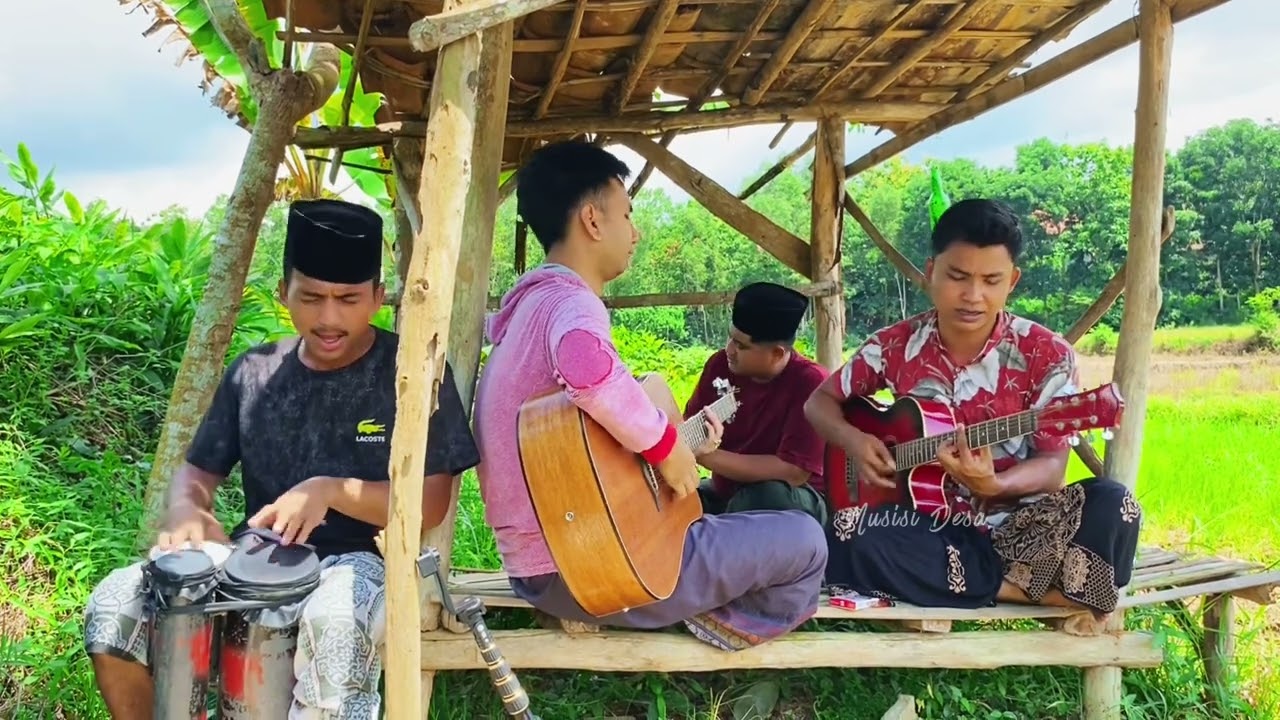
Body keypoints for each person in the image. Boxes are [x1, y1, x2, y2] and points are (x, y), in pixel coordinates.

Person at [82, 199, 481, 719]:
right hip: (256, 557)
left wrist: (330, 490)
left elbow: (429, 504)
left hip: (362, 562)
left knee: (334, 623)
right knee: (114, 606)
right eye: (311, 298)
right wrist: (187, 509)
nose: (330, 317)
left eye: (349, 298)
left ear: (379, 297)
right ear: (283, 293)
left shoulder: (409, 373)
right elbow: (198, 472)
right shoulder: (254, 372)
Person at [473, 140, 827, 652]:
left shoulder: (529, 306)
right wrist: (665, 449)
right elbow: (589, 372)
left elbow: (590, 411)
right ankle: (720, 618)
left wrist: (669, 441)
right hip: (596, 567)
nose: (634, 232)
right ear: (593, 221)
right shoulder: (573, 304)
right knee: (805, 541)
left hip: (542, 568)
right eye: (627, 214)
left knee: (707, 505)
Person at [804, 198, 1142, 619]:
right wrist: (855, 441)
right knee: (846, 532)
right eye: (958, 276)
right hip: (919, 526)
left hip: (1018, 528)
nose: (973, 296)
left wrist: (994, 487)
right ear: (931, 272)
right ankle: (1017, 588)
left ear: (1012, 281)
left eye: (991, 280)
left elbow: (1053, 466)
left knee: (1115, 503)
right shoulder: (893, 346)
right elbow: (819, 403)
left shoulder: (1045, 353)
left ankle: (983, 581)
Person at [684, 281, 830, 526]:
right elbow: (689, 428)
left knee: (762, 497)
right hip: (727, 494)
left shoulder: (810, 383)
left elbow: (793, 472)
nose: (729, 350)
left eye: (741, 346)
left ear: (777, 354)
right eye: (730, 338)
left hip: (793, 501)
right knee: (674, 502)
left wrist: (707, 457)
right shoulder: (719, 365)